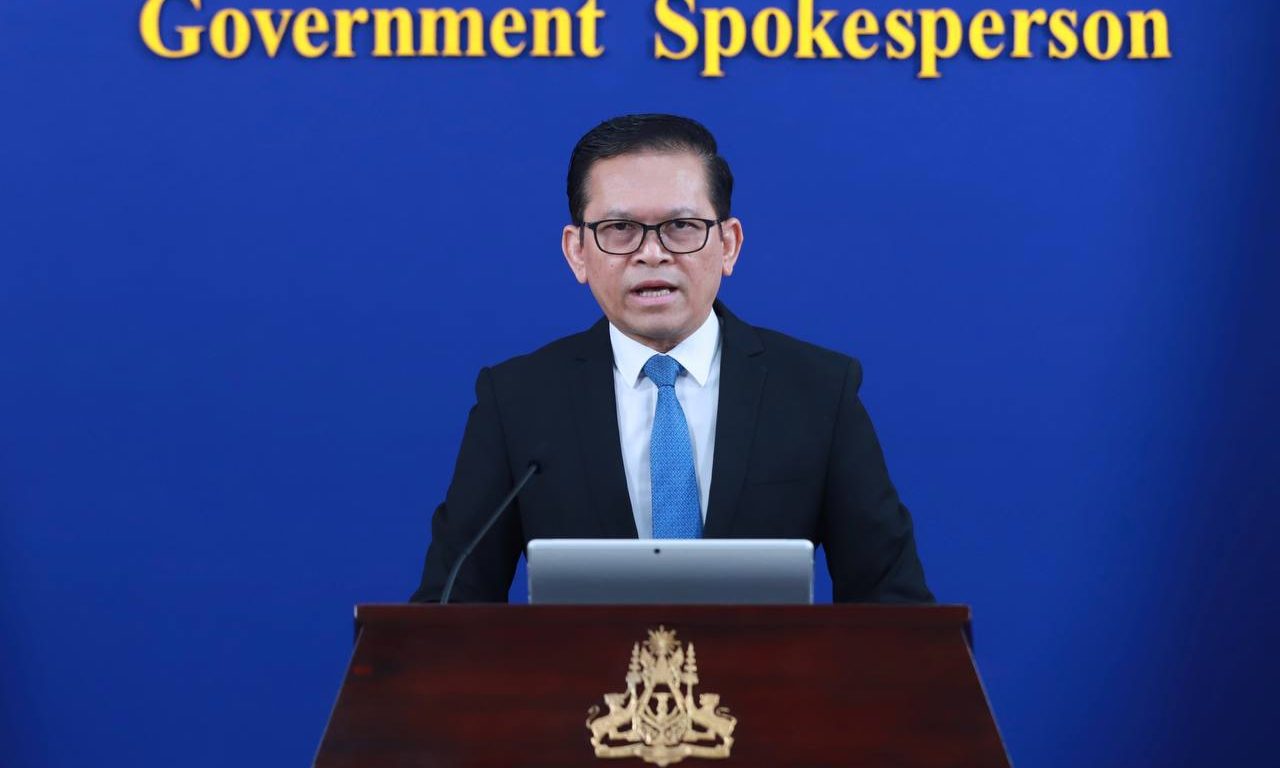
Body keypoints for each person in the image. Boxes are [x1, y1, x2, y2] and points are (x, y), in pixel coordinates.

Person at [410, 114, 932, 603]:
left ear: (728, 245)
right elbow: (448, 609)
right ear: (577, 252)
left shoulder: (818, 391)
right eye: (619, 228)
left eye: (681, 226)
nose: (652, 252)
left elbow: (894, 606)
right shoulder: (518, 401)